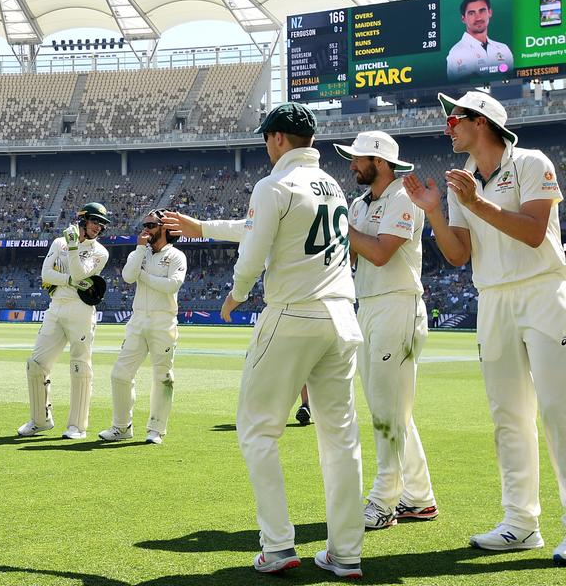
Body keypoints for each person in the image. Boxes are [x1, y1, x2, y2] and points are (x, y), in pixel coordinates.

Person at [174, 104, 365, 577]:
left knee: (258, 429)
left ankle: (278, 547)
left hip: (293, 314)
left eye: (267, 137)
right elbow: (263, 228)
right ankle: (346, 554)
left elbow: (255, 249)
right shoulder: (332, 185)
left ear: (278, 138)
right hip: (342, 317)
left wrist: (236, 294)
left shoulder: (273, 184)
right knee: (340, 438)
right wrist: (204, 228)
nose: (266, 145)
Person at [404, 91, 566, 563]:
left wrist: (475, 203)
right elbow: (458, 255)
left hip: (543, 292)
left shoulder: (532, 163)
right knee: (508, 415)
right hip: (492, 298)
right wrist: (436, 209)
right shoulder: (463, 183)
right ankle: (520, 523)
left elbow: (535, 232)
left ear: (482, 123)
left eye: (454, 118)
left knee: (558, 410)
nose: (447, 127)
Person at [335, 131, 438, 530]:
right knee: (391, 410)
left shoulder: (404, 198)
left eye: (358, 159)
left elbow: (379, 253)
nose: (352, 165)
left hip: (399, 306)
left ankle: (383, 501)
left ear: (379, 161)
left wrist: (341, 228)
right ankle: (419, 498)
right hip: (369, 306)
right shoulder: (361, 203)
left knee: (388, 411)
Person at [18, 202, 111, 440]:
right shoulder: (58, 242)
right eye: (95, 221)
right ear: (83, 220)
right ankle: (40, 420)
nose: (98, 227)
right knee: (35, 364)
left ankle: (77, 426)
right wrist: (69, 279)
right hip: (56, 306)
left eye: (101, 224)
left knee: (80, 366)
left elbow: (81, 275)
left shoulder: (100, 252)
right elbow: (45, 274)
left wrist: (72, 248)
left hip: (81, 310)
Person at [101, 209, 185, 445]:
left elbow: (172, 285)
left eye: (151, 224)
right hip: (138, 320)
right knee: (120, 374)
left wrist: (144, 276)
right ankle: (121, 427)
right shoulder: (140, 253)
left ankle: (156, 430)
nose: (146, 228)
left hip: (163, 321)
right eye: (145, 224)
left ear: (164, 228)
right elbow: (128, 276)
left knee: (163, 376)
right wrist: (139, 250)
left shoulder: (177, 256)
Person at [445, 0, 514, 80]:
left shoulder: (504, 49)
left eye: (482, 11)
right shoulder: (456, 53)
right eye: (471, 13)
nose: (478, 18)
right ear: (463, 19)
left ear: (490, 12)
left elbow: (513, 82)